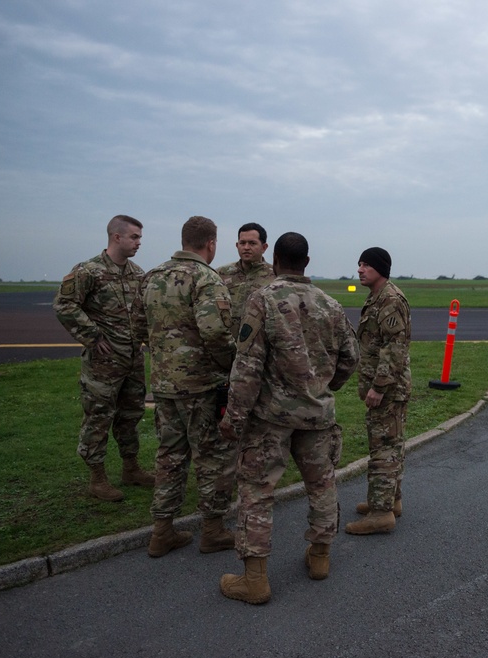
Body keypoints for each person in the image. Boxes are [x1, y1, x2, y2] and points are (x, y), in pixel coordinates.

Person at [218, 232, 359, 604]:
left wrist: (234, 417)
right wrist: (324, 386)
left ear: (275, 260)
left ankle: (255, 579)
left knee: (257, 492)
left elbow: (246, 367)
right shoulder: (330, 304)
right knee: (322, 485)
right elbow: (351, 357)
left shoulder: (262, 299)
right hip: (317, 416)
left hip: (271, 419)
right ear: (306, 263)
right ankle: (319, 557)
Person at [136, 216, 237, 557]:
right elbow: (215, 333)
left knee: (169, 457)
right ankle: (213, 530)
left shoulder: (152, 276)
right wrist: (232, 365)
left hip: (164, 385)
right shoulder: (207, 279)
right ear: (210, 243)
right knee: (210, 457)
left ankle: (162, 531)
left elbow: (138, 327)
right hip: (200, 386)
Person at [53, 214, 154, 503]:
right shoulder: (89, 271)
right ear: (116, 237)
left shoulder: (137, 273)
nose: (138, 243)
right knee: (98, 417)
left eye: (139, 238)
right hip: (102, 364)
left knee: (130, 416)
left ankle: (131, 469)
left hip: (132, 360)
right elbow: (64, 304)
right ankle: (97, 478)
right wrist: (93, 336)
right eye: (134, 237)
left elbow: (142, 314)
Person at [345, 247, 412, 536]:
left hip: (386, 390)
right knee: (391, 444)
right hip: (386, 388)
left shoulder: (390, 300)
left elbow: (394, 349)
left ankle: (381, 513)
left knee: (383, 448)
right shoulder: (377, 297)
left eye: (366, 265)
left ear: (380, 268)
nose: (360, 269)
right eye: (359, 264)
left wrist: (378, 388)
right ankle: (390, 501)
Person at [216, 222, 276, 338]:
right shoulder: (220, 274)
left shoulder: (275, 276)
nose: (246, 247)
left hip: (260, 347)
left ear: (264, 247)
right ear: (237, 245)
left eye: (252, 243)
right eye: (242, 243)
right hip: (227, 346)